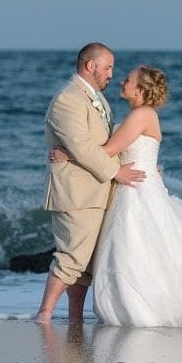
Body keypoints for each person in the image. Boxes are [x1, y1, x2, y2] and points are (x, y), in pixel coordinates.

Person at [50, 65, 182, 328]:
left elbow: (109, 150)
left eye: (128, 79)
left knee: (135, 249)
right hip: (132, 186)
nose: (121, 81)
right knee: (139, 250)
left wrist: (68, 155)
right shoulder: (139, 115)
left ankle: (140, 311)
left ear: (140, 89)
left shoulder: (141, 115)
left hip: (135, 191)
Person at [34, 43, 147, 325]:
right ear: (90, 66)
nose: (112, 73)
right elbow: (82, 145)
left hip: (97, 190)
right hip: (76, 192)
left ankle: (75, 318)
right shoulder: (67, 99)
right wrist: (117, 172)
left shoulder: (98, 99)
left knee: (86, 265)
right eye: (108, 67)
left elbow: (104, 145)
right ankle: (44, 314)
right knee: (72, 256)